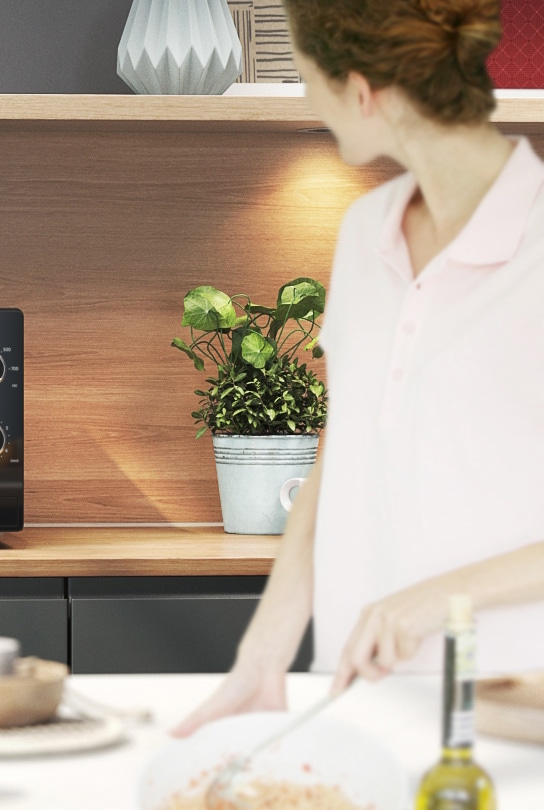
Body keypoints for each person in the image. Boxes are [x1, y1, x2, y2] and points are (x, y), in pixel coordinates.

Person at [174, 0, 544, 737]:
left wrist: (434, 598)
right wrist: (263, 655)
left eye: (310, 79)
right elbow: (342, 455)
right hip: (355, 696)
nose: (310, 101)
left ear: (362, 90)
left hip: (511, 714)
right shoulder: (364, 230)